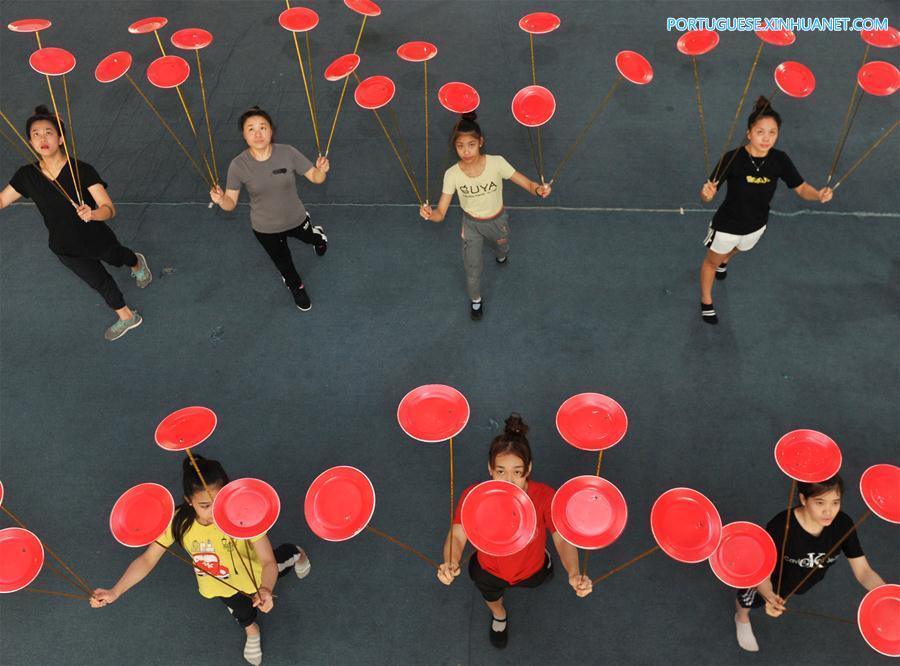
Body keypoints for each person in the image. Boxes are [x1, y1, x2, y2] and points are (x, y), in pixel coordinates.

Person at [91, 455, 311, 666]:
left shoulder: (243, 510)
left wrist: (265, 588)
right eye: (205, 506)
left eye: (218, 502)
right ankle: (251, 630)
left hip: (258, 575)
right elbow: (148, 559)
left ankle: (296, 553)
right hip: (219, 584)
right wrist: (115, 591)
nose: (214, 512)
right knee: (241, 612)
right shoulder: (178, 522)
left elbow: (268, 562)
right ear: (189, 501)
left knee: (282, 560)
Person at [436, 413, 592, 649]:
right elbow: (458, 534)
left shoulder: (545, 495)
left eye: (517, 472)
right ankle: (500, 617)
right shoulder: (473, 496)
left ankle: (544, 565)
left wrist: (573, 571)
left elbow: (561, 538)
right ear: (490, 468)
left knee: (540, 577)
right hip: (488, 569)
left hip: (533, 569)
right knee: (492, 597)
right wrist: (451, 560)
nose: (508, 480)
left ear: (528, 468)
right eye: (501, 471)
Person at [0, 105, 151, 340]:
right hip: (64, 247)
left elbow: (109, 209)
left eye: (48, 132)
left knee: (119, 258)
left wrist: (93, 214)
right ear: (30, 142)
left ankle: (137, 263)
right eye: (36, 134)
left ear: (60, 138)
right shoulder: (26, 175)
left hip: (96, 238)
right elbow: (1, 199)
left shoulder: (82, 170)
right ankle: (127, 317)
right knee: (99, 281)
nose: (42, 138)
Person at [699, 96, 833, 324]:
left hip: (757, 224)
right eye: (760, 132)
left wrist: (818, 195)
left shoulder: (780, 160)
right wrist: (706, 194)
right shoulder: (732, 158)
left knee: (737, 250)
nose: (766, 138)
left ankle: (725, 260)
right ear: (749, 133)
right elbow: (707, 194)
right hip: (727, 225)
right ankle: (706, 300)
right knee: (712, 262)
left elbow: (801, 188)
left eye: (772, 132)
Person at [732, 475, 886, 652]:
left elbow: (863, 571)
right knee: (747, 600)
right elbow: (762, 570)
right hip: (767, 579)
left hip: (800, 581)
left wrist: (885, 596)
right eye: (820, 503)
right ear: (803, 499)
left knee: (790, 591)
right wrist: (768, 594)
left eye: (835, 502)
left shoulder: (843, 524)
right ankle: (741, 619)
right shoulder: (781, 525)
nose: (829, 511)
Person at [419, 113, 551, 320]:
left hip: (498, 221)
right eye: (460, 146)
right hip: (471, 225)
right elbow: (441, 214)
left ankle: (501, 253)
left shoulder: (497, 163)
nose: (466, 151)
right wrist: (429, 215)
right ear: (454, 147)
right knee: (472, 268)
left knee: (502, 247)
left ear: (481, 142)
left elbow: (527, 183)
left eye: (471, 144)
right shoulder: (452, 174)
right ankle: (476, 300)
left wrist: (538, 190)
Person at [210, 106, 329, 312]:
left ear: (271, 131)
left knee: (311, 237)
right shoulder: (238, 165)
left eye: (262, 127)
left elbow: (316, 178)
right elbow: (230, 203)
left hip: (296, 218)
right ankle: (296, 286)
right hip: (265, 228)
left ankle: (318, 236)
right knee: (283, 262)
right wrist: (221, 200)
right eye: (251, 129)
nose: (258, 134)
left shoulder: (288, 153)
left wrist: (322, 170)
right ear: (244, 135)